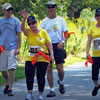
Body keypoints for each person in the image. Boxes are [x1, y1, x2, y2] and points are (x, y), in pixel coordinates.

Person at [21, 10, 54, 100]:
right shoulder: (28, 31)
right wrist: (24, 19)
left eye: (33, 23)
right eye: (30, 24)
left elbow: (49, 43)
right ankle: (30, 93)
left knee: (40, 76)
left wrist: (52, 54)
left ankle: (40, 94)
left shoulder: (43, 32)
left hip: (42, 57)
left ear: (37, 23)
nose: (31, 26)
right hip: (31, 57)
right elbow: (22, 29)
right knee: (29, 74)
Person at [40, 1, 69, 97]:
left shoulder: (61, 20)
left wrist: (63, 42)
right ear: (46, 9)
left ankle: (61, 82)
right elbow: (40, 35)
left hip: (58, 45)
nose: (51, 9)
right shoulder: (43, 21)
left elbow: (66, 34)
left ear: (56, 8)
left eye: (52, 7)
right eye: (48, 7)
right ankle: (52, 90)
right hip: (47, 46)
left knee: (60, 69)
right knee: (49, 68)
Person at [0, 3, 21, 96]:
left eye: (11, 9)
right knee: (3, 70)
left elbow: (19, 36)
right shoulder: (0, 21)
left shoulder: (16, 21)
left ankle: (10, 88)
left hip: (13, 48)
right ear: (3, 10)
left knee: (11, 68)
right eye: (8, 10)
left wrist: (18, 48)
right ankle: (8, 82)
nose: (10, 11)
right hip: (2, 48)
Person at [86, 8, 100, 96]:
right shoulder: (92, 28)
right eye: (97, 16)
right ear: (95, 17)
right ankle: (97, 85)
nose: (99, 17)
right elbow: (89, 40)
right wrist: (87, 52)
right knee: (94, 76)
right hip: (95, 55)